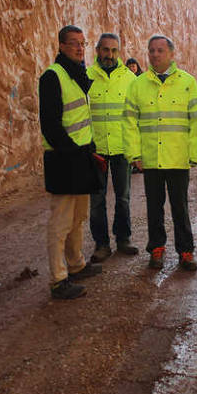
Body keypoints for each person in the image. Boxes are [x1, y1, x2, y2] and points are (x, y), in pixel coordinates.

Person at [123, 35, 197, 271]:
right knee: (154, 207)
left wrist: (196, 153)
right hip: (150, 159)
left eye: (160, 50)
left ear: (171, 54)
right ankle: (156, 248)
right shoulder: (137, 85)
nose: (155, 55)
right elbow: (129, 122)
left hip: (178, 157)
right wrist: (134, 154)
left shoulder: (187, 83)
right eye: (151, 51)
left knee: (180, 206)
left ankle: (186, 251)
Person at [38, 25, 104, 299]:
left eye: (82, 43)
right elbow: (50, 126)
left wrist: (88, 152)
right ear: (61, 46)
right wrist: (75, 153)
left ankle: (76, 265)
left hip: (81, 156)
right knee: (61, 222)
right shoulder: (53, 77)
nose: (79, 48)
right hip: (64, 159)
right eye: (73, 44)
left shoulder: (77, 75)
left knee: (77, 218)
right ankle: (58, 278)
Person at [86, 33, 139, 262]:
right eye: (105, 50)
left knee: (123, 197)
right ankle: (101, 244)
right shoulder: (86, 77)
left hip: (121, 148)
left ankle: (123, 238)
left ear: (120, 52)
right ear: (97, 50)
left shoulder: (130, 79)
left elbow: (136, 116)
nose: (110, 55)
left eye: (114, 50)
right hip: (96, 150)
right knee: (97, 200)